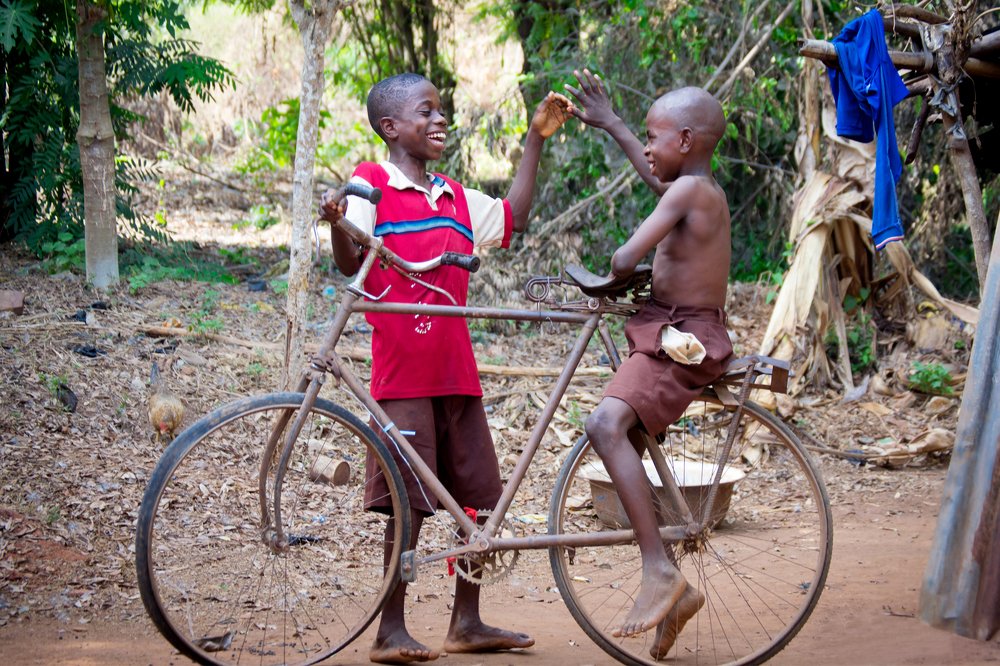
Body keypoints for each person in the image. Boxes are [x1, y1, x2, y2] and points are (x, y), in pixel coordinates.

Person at [319, 73, 573, 664]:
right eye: (425, 112)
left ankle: (467, 621)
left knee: (476, 502)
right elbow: (350, 257)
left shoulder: (456, 197)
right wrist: (337, 221)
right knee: (407, 505)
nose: (440, 121)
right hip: (402, 375)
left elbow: (513, 216)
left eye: (441, 112)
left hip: (457, 372)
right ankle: (391, 629)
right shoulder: (372, 183)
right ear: (390, 128)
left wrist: (534, 139)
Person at [565, 70, 733, 657]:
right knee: (618, 432)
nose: (648, 148)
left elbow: (625, 253)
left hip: (682, 334)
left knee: (605, 425)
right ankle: (675, 589)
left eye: (653, 137)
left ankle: (659, 570)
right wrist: (611, 122)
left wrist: (615, 266)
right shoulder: (695, 188)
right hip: (672, 325)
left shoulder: (688, 192)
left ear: (685, 141)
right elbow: (657, 176)